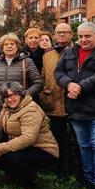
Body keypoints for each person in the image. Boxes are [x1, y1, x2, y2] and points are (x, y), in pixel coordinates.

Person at [54, 21, 95, 189]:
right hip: (76, 109)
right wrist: (68, 85)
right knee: (84, 146)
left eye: (88, 36)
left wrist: (80, 87)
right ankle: (88, 180)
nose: (84, 39)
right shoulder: (69, 52)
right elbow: (58, 73)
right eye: (81, 36)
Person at [0, 82, 59, 189]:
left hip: (44, 149)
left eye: (13, 95)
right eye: (6, 97)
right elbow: (1, 121)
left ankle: (31, 186)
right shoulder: (8, 108)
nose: (10, 99)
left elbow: (28, 138)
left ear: (21, 94)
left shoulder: (30, 110)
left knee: (14, 158)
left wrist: (2, 147)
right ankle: (16, 176)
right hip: (25, 147)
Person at [37, 32, 78, 181]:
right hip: (54, 104)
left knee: (75, 139)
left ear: (71, 34)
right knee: (58, 138)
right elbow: (43, 77)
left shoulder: (77, 51)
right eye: (58, 32)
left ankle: (77, 169)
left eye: (65, 32)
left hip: (74, 102)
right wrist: (44, 94)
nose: (62, 34)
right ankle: (61, 170)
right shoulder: (48, 55)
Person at [0, 33, 43, 118]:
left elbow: (38, 83)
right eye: (6, 44)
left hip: (20, 109)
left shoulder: (27, 62)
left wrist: (24, 95)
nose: (9, 46)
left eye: (12, 44)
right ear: (2, 48)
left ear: (17, 46)